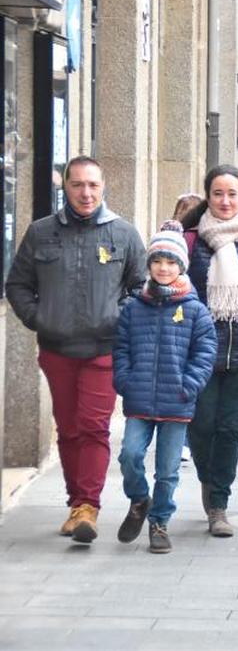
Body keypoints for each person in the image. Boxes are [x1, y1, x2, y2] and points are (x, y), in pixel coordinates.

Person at [6, 156, 146, 543]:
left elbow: (141, 288)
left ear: (103, 188)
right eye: (77, 185)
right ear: (64, 188)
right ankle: (75, 504)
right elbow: (17, 284)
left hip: (104, 349)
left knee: (93, 426)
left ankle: (88, 506)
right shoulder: (41, 233)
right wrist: (40, 318)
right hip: (56, 348)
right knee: (67, 429)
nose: (86, 193)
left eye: (93, 185)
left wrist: (118, 319)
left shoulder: (124, 234)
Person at [113, 226, 217, 553]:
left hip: (177, 401)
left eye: (171, 262)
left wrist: (189, 385)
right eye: (157, 260)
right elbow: (121, 348)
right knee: (130, 454)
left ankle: (159, 522)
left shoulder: (195, 309)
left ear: (181, 267)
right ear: (149, 265)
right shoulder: (134, 307)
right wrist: (125, 381)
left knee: (168, 470)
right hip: (139, 398)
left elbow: (205, 353)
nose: (163, 268)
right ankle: (139, 499)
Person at [181, 165, 238, 537]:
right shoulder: (188, 242)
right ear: (207, 196)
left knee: (229, 427)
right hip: (200, 354)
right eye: (218, 193)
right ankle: (209, 478)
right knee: (201, 427)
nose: (225, 200)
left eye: (233, 193)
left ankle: (219, 503)